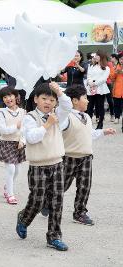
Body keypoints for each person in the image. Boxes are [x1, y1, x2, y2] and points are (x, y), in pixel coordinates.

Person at [16, 82, 72, 251]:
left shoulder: (58, 114)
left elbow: (68, 105)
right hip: (38, 166)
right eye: (44, 98)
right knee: (37, 200)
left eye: (52, 99)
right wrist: (47, 125)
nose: (48, 102)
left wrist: (58, 91)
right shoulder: (30, 117)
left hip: (57, 164)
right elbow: (32, 138)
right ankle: (24, 218)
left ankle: (54, 237)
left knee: (57, 201)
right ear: (36, 99)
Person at [60, 85, 116, 225]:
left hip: (86, 157)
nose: (88, 101)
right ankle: (48, 203)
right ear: (74, 101)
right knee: (62, 185)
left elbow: (89, 134)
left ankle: (80, 213)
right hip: (69, 157)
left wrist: (103, 131)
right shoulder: (66, 117)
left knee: (84, 186)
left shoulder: (86, 116)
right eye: (85, 98)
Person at [0, 86, 26, 205]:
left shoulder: (23, 112)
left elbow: (25, 129)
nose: (8, 99)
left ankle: (7, 187)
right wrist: (15, 127)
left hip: (19, 144)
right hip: (7, 144)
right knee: (11, 169)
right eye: (5, 97)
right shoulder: (2, 113)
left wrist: (23, 140)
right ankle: (10, 194)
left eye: (10, 96)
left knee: (17, 170)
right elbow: (3, 130)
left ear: (16, 97)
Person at [86, 50, 110, 129]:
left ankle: (100, 124)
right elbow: (88, 76)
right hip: (91, 89)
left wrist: (94, 83)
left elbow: (104, 79)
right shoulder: (91, 66)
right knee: (89, 106)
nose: (95, 57)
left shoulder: (106, 68)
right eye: (95, 56)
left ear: (101, 57)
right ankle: (88, 124)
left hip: (100, 89)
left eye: (97, 55)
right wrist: (90, 83)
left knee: (100, 106)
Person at [110, 54, 123, 130]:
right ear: (118, 60)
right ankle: (117, 117)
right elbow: (111, 78)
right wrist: (115, 72)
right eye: (121, 59)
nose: (122, 61)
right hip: (117, 89)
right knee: (116, 105)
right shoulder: (115, 67)